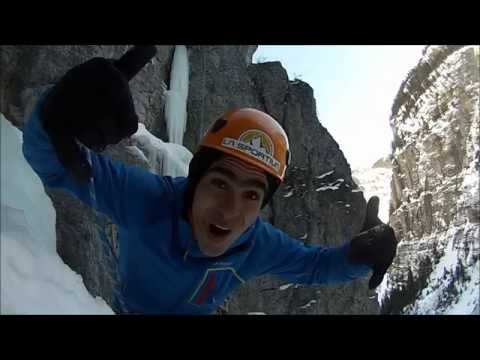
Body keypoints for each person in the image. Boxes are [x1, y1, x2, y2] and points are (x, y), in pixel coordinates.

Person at [22, 46, 397, 315]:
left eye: (252, 194)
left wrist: (360, 257)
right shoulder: (148, 201)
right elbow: (54, 164)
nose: (231, 209)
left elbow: (317, 266)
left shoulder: (256, 243)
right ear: (195, 181)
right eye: (220, 182)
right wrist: (56, 115)